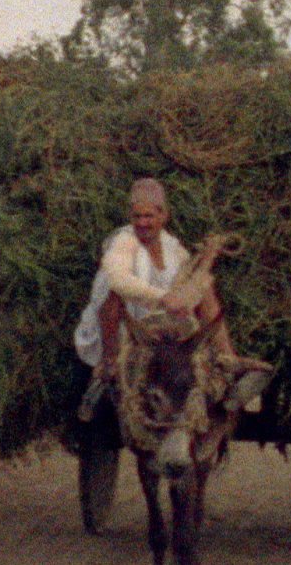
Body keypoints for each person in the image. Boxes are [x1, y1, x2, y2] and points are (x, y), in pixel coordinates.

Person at [72, 177, 236, 420]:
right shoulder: (123, 241)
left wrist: (206, 260)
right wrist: (163, 298)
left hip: (161, 328)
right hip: (123, 329)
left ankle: (228, 361)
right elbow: (118, 278)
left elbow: (188, 281)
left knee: (205, 288)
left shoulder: (172, 246)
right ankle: (108, 364)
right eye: (137, 217)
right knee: (112, 293)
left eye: (148, 216)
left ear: (163, 216)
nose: (142, 223)